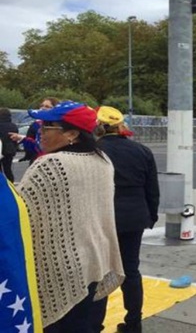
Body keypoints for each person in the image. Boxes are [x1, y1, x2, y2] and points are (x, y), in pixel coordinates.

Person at [15, 100, 124, 332]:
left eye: (46, 127)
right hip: (95, 262)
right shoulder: (103, 161)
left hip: (59, 270)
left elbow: (19, 213)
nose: (39, 132)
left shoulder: (50, 164)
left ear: (72, 134)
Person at [92, 106, 159, 333]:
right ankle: (134, 322)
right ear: (121, 125)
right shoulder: (141, 150)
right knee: (131, 270)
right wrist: (151, 215)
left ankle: (95, 324)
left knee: (100, 272)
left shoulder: (94, 151)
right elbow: (152, 189)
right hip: (134, 217)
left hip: (103, 218)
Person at [11, 96, 60, 164]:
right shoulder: (36, 124)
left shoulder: (59, 125)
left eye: (47, 106)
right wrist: (22, 139)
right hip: (37, 160)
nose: (43, 108)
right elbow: (35, 146)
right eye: (42, 105)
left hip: (54, 160)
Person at [0, 107, 19, 182]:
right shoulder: (13, 126)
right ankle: (11, 185)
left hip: (0, 149)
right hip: (10, 150)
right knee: (8, 170)